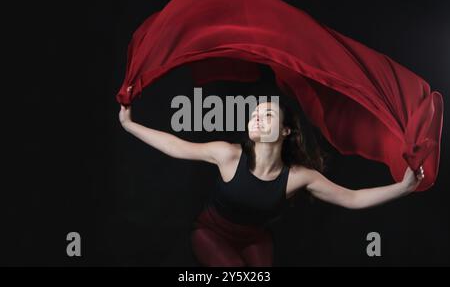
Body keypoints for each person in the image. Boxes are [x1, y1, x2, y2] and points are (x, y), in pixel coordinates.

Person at [118, 99, 424, 267]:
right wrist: (130, 125)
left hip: (255, 239)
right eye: (253, 114)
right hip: (211, 233)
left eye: (267, 113)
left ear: (286, 131)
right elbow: (176, 145)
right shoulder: (227, 154)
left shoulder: (298, 176)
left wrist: (404, 186)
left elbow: (352, 198)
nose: (257, 118)